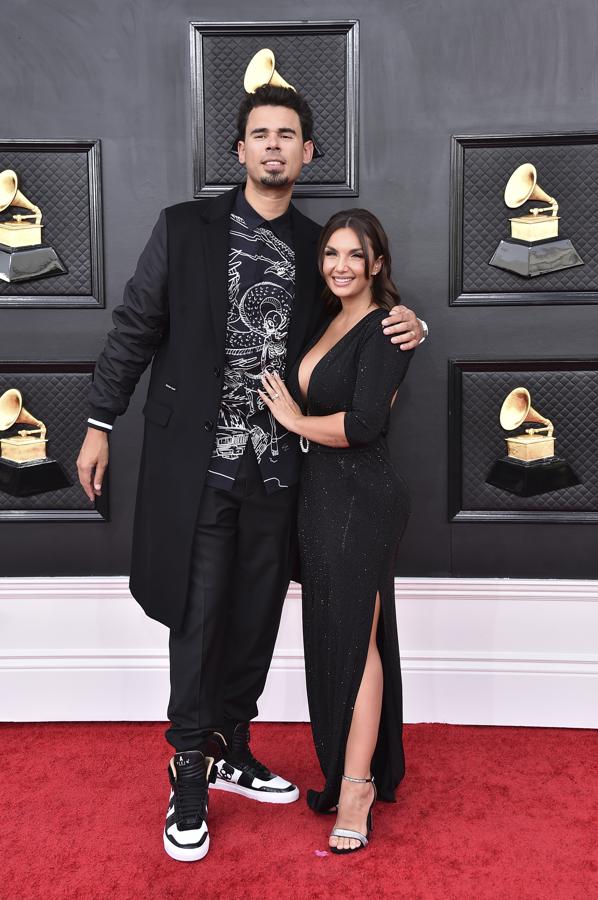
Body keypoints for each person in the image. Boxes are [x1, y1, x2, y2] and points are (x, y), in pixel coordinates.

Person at [76, 85, 426, 862]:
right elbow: (135, 325)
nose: (273, 145)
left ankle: (232, 742)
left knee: (257, 618)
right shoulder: (186, 228)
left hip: (283, 473)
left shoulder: (316, 244)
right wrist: (99, 422)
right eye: (259, 134)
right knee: (198, 619)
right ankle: (190, 771)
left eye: (288, 135)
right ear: (238, 151)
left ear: (307, 154)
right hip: (199, 467)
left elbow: (359, 311)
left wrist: (413, 319)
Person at [259, 208, 414, 854]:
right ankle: (352, 769)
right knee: (340, 637)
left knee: (359, 642)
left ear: (378, 263)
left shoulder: (387, 330)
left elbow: (362, 426)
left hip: (362, 497)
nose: (342, 266)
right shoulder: (330, 318)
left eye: (356, 255)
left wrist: (294, 422)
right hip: (322, 498)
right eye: (332, 255)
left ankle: (357, 788)